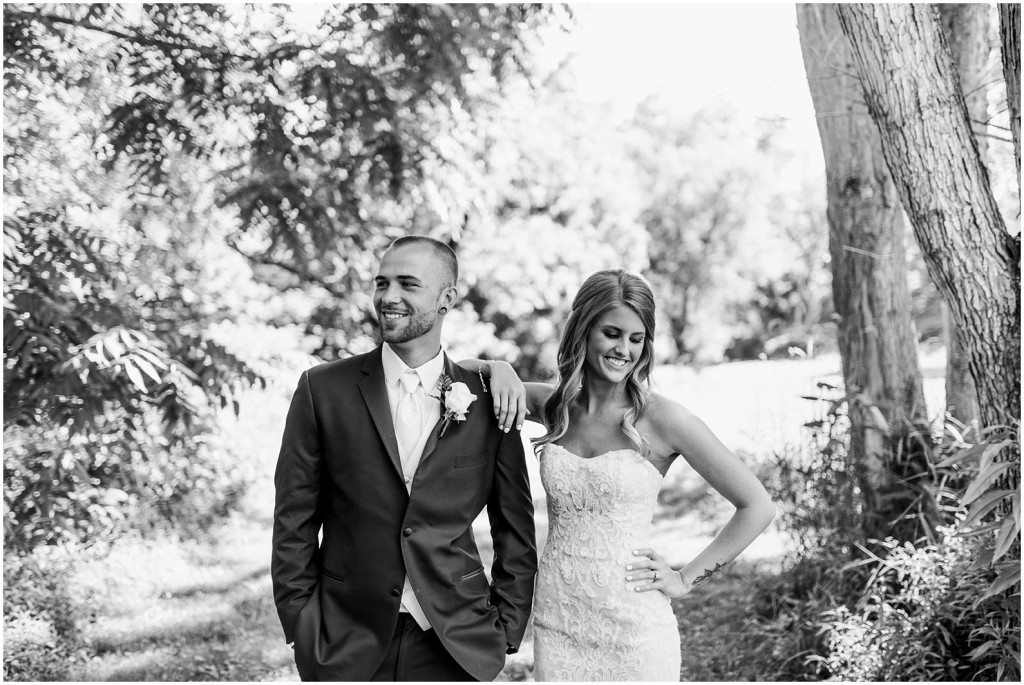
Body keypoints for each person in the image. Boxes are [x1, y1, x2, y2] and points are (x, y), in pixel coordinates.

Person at [465, 269, 776, 681]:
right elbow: (458, 375)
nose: (623, 349)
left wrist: (685, 579)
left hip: (635, 629)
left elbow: (757, 506)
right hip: (559, 619)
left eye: (636, 338)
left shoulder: (664, 419)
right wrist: (497, 367)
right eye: (611, 333)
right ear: (583, 331)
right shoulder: (553, 407)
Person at [271, 236, 537, 681]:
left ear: (446, 298)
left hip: (455, 641)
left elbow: (514, 526)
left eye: (407, 284)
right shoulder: (322, 390)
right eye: (382, 283)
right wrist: (300, 620)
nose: (388, 297)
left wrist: (506, 626)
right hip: (344, 636)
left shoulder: (489, 400)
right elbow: (293, 519)